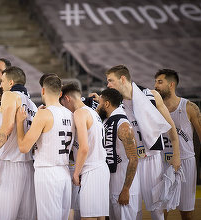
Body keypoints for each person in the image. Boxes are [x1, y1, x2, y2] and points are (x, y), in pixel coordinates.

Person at [105, 64, 181, 220]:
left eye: (111, 80)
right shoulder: (113, 104)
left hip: (152, 159)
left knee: (157, 210)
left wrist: (176, 154)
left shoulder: (151, 96)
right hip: (129, 162)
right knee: (133, 209)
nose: (108, 85)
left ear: (123, 79)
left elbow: (170, 125)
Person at [16, 75, 75, 220]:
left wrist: (19, 123)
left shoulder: (43, 115)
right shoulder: (71, 114)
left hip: (48, 174)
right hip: (65, 172)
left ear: (43, 91)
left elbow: (23, 147)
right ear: (60, 93)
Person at [0, 66, 37, 220]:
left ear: (11, 82)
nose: (1, 85)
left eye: (3, 81)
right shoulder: (32, 105)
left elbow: (7, 127)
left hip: (9, 164)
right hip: (28, 167)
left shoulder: (9, 95)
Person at [154, 69, 201, 220]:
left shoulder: (189, 107)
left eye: (160, 82)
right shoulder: (153, 109)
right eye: (155, 82)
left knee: (186, 212)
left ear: (171, 84)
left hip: (185, 162)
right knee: (160, 212)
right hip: (161, 162)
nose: (156, 85)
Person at [60, 82, 109, 219]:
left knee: (88, 217)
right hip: (100, 168)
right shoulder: (92, 112)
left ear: (67, 98)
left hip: (91, 169)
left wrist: (75, 173)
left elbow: (84, 148)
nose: (65, 108)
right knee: (99, 216)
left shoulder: (80, 113)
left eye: (63, 104)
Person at [97, 88, 139, 220]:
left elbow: (134, 159)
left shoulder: (124, 125)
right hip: (110, 187)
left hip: (123, 189)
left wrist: (126, 189)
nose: (98, 106)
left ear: (107, 104)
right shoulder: (106, 122)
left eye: (100, 102)